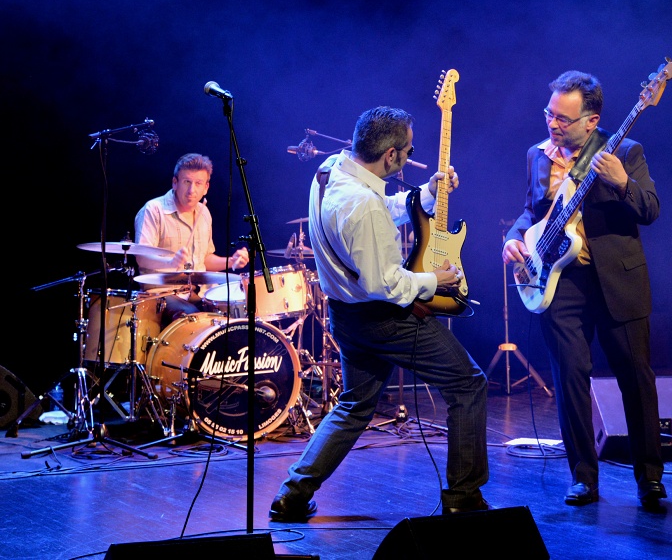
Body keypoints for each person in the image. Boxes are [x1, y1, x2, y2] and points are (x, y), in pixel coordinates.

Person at [269, 106, 490, 522]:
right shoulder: (363, 206)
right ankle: (463, 497)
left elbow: (378, 207)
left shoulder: (331, 170)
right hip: (382, 320)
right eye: (408, 151)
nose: (409, 155)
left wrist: (426, 194)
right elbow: (384, 284)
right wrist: (436, 280)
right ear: (390, 155)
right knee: (468, 384)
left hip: (346, 316)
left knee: (355, 404)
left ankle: (292, 495)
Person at [501, 71, 666, 508]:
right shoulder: (537, 155)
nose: (552, 123)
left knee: (636, 380)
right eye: (549, 113)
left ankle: (649, 477)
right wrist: (514, 238)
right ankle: (583, 478)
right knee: (570, 380)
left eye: (563, 118)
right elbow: (531, 211)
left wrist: (622, 182)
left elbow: (650, 209)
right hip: (561, 281)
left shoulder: (625, 151)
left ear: (591, 121)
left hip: (617, 281)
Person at [134, 153, 249, 325]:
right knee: (195, 319)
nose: (191, 190)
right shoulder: (154, 210)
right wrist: (170, 263)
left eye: (198, 183)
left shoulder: (204, 213)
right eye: (187, 182)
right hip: (160, 295)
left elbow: (205, 259)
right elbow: (141, 258)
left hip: (192, 292)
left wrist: (232, 261)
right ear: (175, 182)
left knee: (232, 316)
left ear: (206, 187)